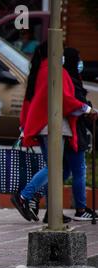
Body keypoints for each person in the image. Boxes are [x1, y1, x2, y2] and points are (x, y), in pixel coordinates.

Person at [12, 42, 96, 223]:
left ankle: (52, 210)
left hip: (44, 125)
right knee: (55, 168)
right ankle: (24, 196)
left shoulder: (42, 70)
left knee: (58, 169)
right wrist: (87, 110)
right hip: (53, 126)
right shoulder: (54, 71)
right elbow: (66, 99)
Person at [61, 47, 97, 221]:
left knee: (64, 171)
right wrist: (89, 109)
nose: (80, 63)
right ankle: (81, 209)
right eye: (78, 60)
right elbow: (77, 105)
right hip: (74, 132)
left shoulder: (68, 77)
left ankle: (35, 197)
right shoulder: (71, 80)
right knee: (79, 171)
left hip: (69, 132)